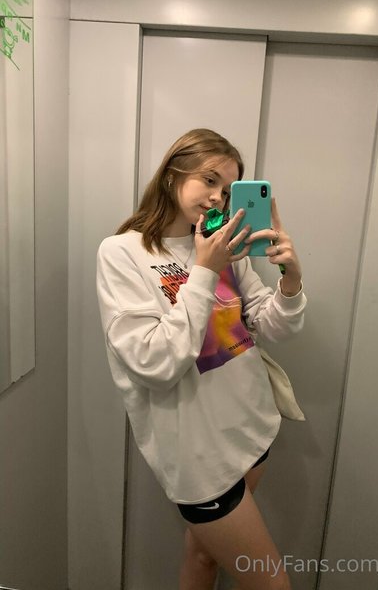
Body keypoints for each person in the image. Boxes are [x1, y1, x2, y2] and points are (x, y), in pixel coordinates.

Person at [96, 128, 306, 590]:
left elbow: (272, 326)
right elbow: (154, 362)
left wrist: (290, 281)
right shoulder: (123, 253)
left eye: (228, 191)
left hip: (252, 427)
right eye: (209, 180)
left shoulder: (224, 245)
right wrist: (206, 270)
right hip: (199, 455)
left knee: (202, 556)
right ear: (173, 174)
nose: (217, 198)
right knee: (273, 585)